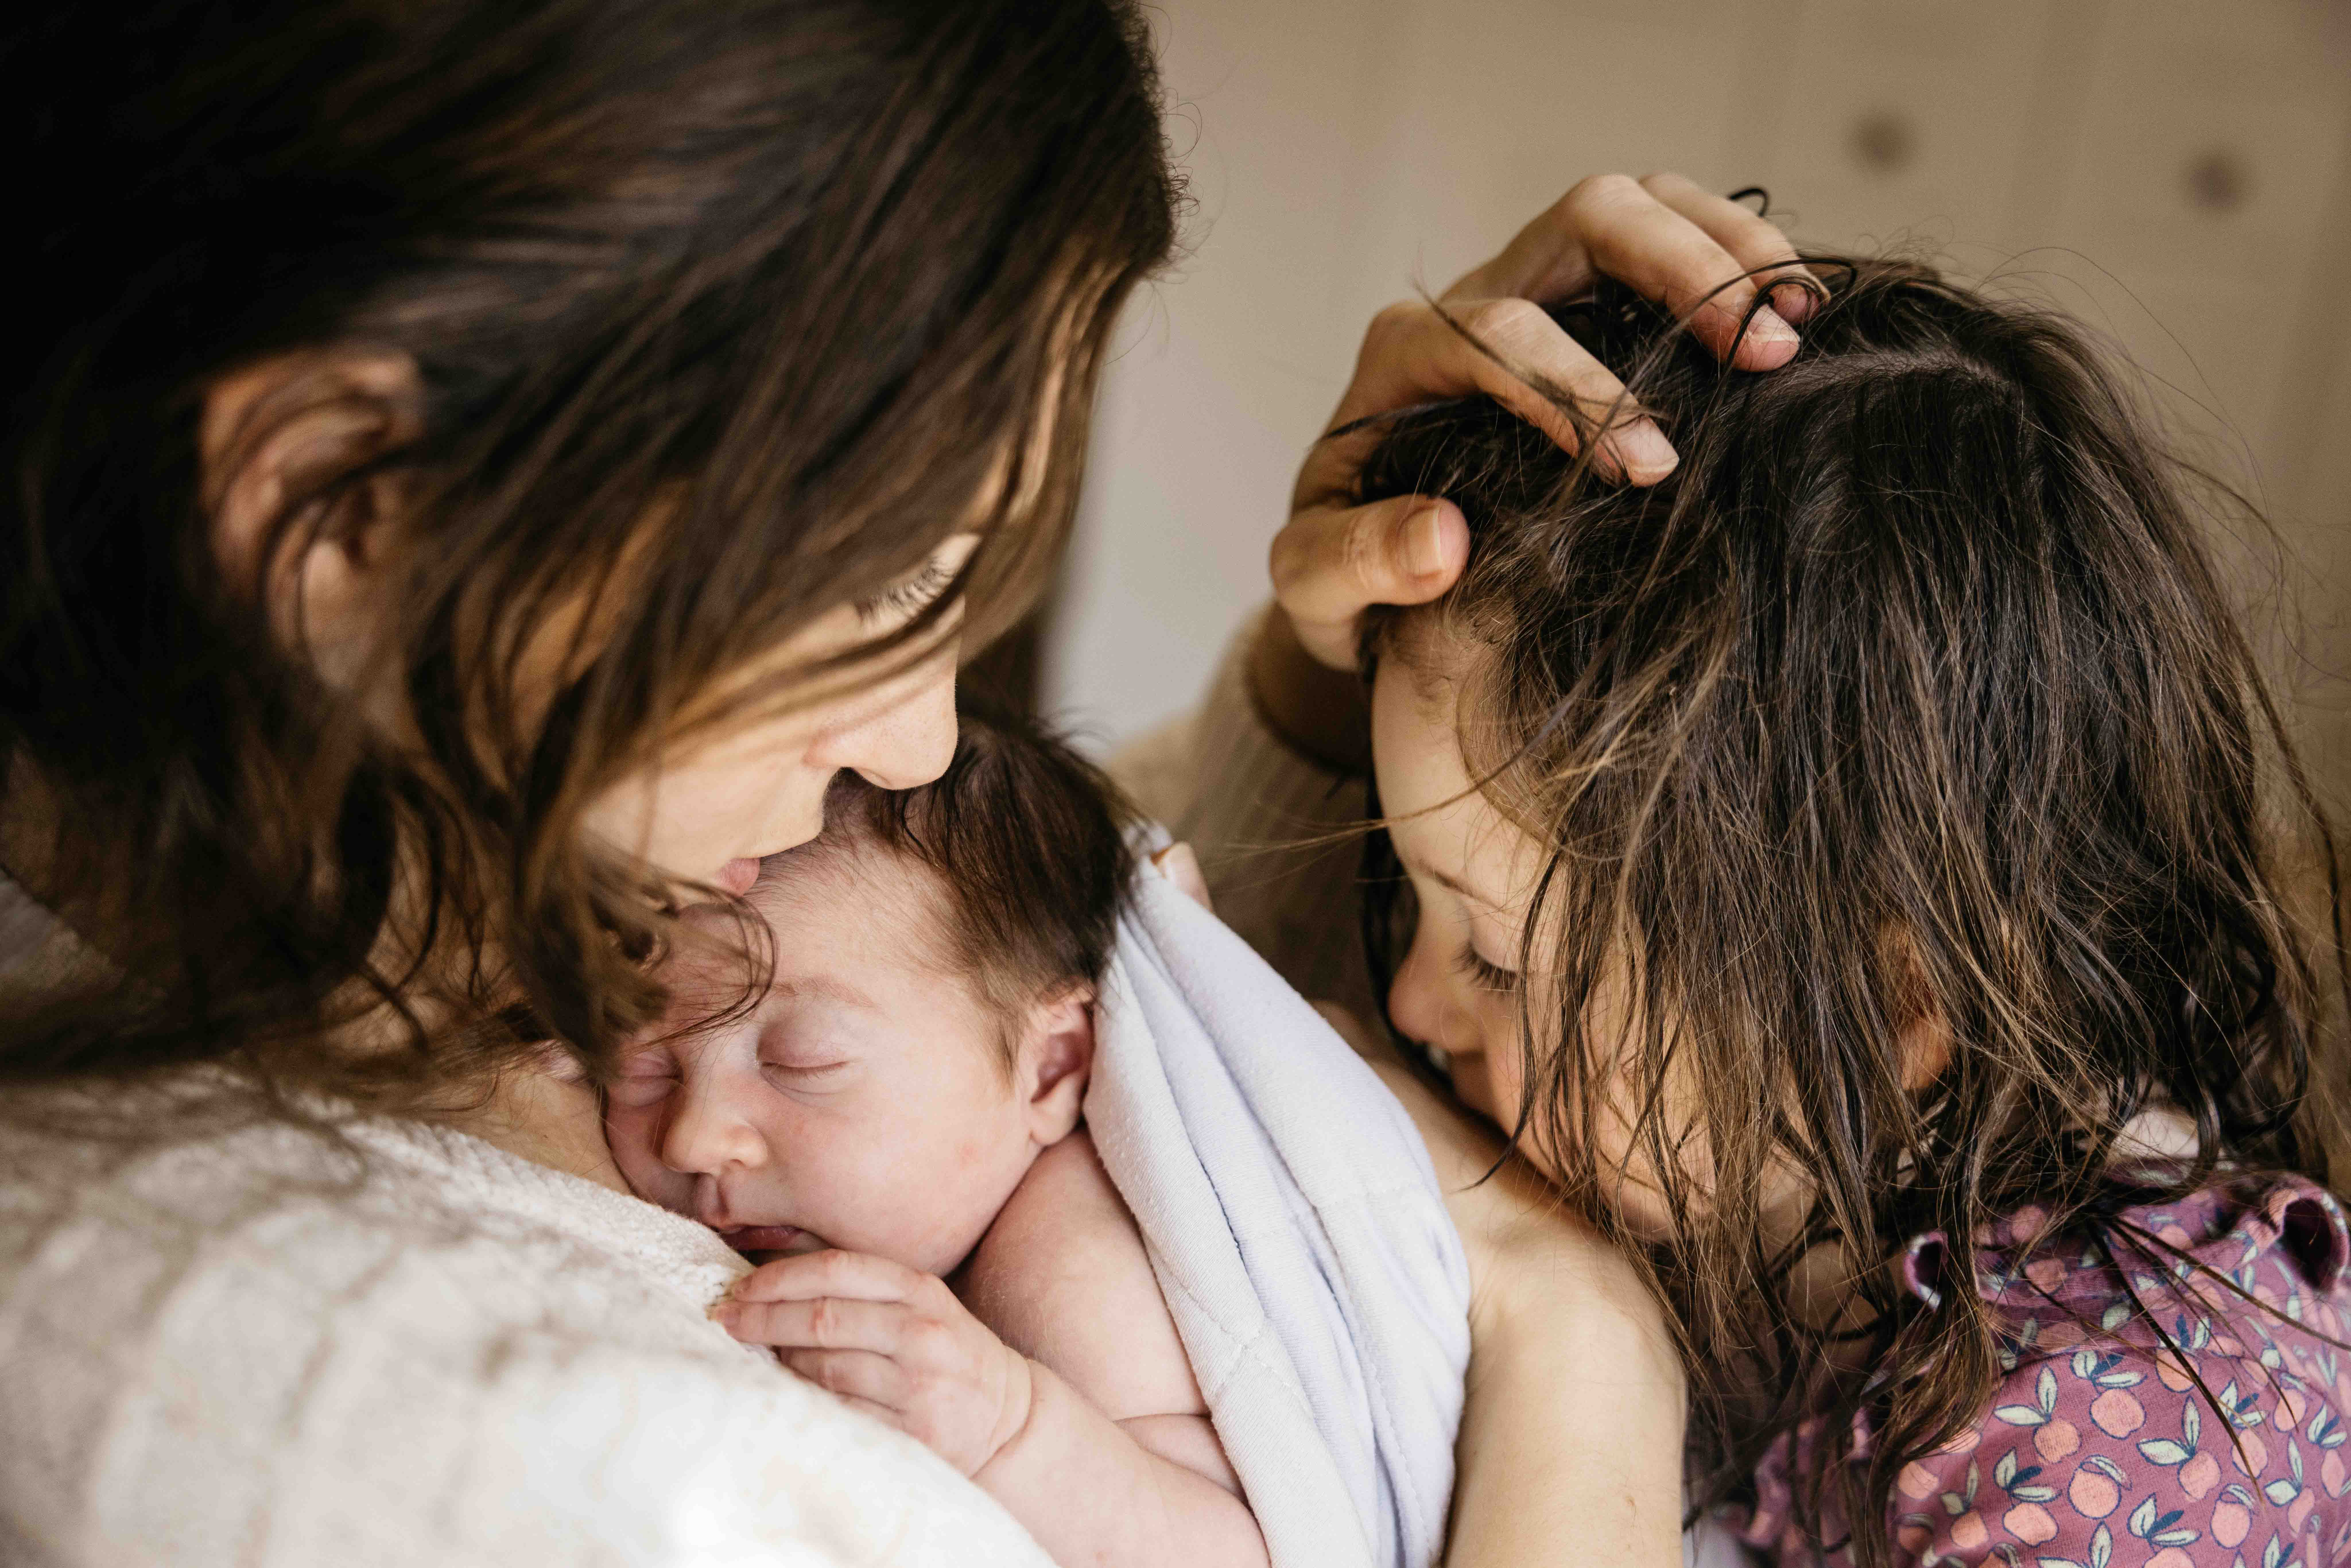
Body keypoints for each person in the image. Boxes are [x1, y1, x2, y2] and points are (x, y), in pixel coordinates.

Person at [0, 0, 1817, 1558]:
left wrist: (1340, 680)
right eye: (886, 581)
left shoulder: (438, 875)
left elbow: (994, 941)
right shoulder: (456, 1441)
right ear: (340, 509)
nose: (922, 743)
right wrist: (1576, 1334)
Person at [1140, 257, 2351, 1568]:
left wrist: (1574, 1337)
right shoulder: (1724, 1154)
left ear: (1885, 1008)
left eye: (1490, 954)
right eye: (1402, 882)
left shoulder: (2135, 1440)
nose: (1414, 1003)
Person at [610, 716, 1268, 1567]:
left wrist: (1012, 1428)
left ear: (1049, 1069)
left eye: (799, 1060)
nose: (695, 1138)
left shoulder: (1070, 1270)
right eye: (642, 1068)